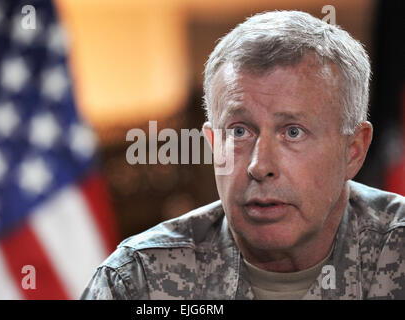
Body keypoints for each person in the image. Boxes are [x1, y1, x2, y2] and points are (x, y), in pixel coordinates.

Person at [81, 10, 405, 300]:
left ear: (354, 150)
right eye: (238, 132)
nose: (259, 165)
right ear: (211, 144)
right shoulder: (138, 281)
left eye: (293, 132)